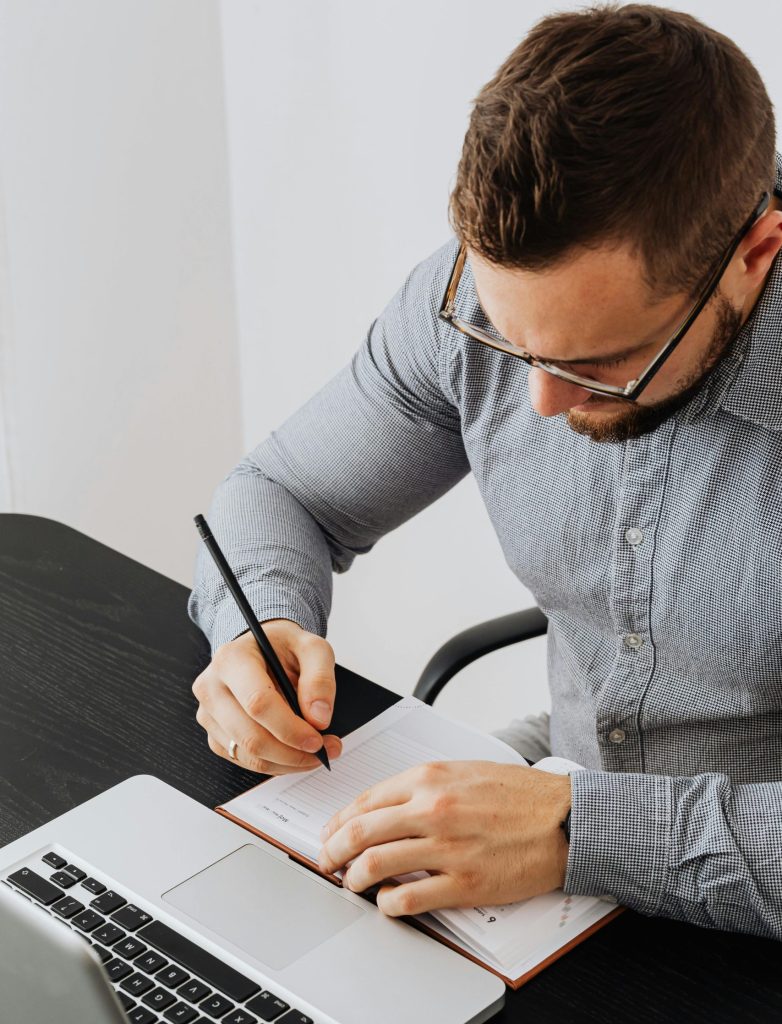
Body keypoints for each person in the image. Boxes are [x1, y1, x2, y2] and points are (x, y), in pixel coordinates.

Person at [189, 3, 782, 938]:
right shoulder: (470, 297)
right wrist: (260, 626)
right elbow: (278, 496)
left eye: (598, 365)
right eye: (510, 341)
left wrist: (578, 829)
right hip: (553, 796)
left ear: (754, 256)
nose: (540, 402)